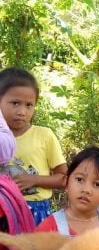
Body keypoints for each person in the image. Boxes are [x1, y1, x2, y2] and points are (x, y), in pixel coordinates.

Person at [0, 68, 67, 224]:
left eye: (29, 105)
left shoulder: (44, 136)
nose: (22, 111)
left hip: (35, 213)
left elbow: (64, 179)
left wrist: (34, 180)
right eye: (15, 103)